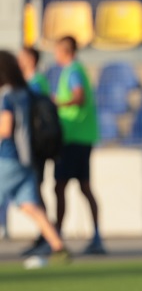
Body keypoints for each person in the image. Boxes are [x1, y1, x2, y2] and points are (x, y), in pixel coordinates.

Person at [0, 51, 70, 267]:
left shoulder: (8, 95)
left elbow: (5, 129)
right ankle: (58, 247)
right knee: (30, 205)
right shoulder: (28, 92)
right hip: (29, 159)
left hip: (8, 157)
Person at [51, 36, 104, 255]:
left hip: (73, 139)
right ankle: (96, 235)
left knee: (60, 186)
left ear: (64, 51)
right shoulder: (77, 70)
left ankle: (56, 236)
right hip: (82, 137)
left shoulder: (72, 71)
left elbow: (79, 97)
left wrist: (56, 102)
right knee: (83, 187)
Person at [18, 46, 53, 256]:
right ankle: (46, 236)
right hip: (28, 147)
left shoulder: (36, 83)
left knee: (36, 192)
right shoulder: (29, 82)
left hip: (34, 147)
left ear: (30, 59)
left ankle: (47, 237)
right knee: (35, 192)